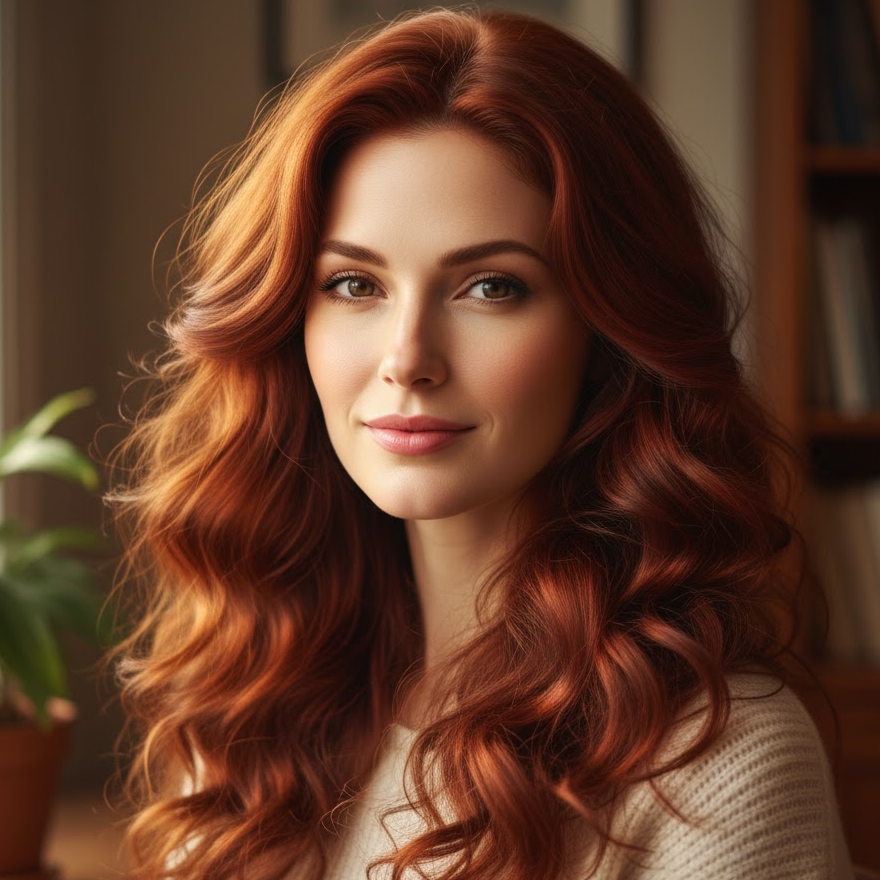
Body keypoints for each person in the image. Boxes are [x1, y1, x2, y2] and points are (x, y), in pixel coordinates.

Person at [107, 7, 854, 880]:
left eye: (491, 287)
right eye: (355, 283)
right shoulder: (259, 704)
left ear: (611, 331)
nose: (407, 358)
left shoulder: (717, 762)